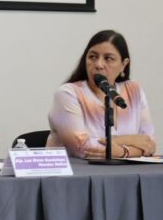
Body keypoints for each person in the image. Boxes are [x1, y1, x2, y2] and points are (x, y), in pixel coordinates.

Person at [47, 30, 155, 159]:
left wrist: (121, 150)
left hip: (126, 170)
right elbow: (82, 148)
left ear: (124, 64)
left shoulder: (134, 91)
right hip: (77, 170)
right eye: (92, 57)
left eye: (108, 58)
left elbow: (149, 144)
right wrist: (130, 142)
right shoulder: (68, 94)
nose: (98, 65)